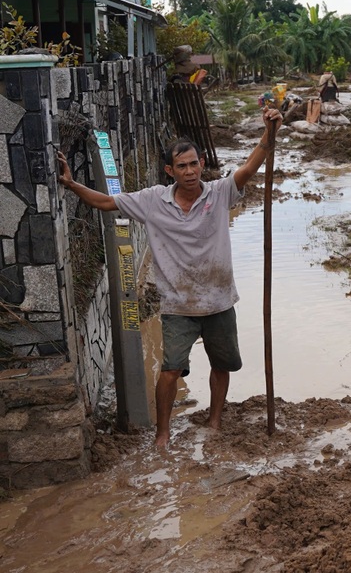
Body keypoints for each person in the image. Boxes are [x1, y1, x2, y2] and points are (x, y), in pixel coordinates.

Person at [57, 107, 283, 449]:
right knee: (170, 371)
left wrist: (269, 133)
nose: (190, 171)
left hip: (220, 300)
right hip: (178, 305)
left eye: (194, 164)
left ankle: (215, 421)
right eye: (182, 166)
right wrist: (72, 184)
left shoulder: (220, 192)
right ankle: (162, 436)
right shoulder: (152, 201)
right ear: (169, 170)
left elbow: (250, 167)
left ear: (202, 163)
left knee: (222, 365)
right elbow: (105, 202)